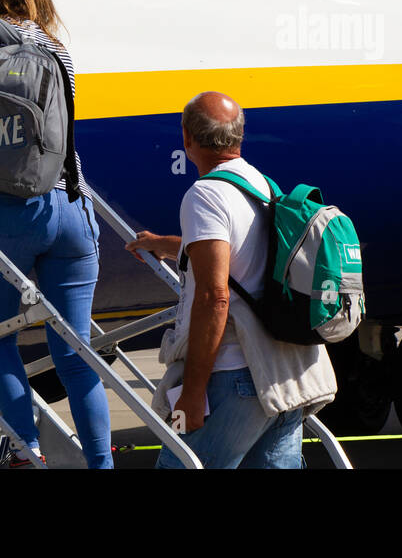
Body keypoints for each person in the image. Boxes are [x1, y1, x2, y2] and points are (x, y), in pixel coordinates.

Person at [0, 0, 110, 469]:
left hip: (12, 209)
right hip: (73, 204)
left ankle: (28, 452)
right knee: (75, 353)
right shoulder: (54, 44)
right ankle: (100, 463)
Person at [127, 91, 336, 468]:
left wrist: (192, 393)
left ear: (187, 138)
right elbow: (238, 252)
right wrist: (164, 244)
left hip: (232, 379)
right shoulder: (265, 187)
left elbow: (215, 295)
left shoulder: (204, 195)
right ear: (239, 137)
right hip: (281, 379)